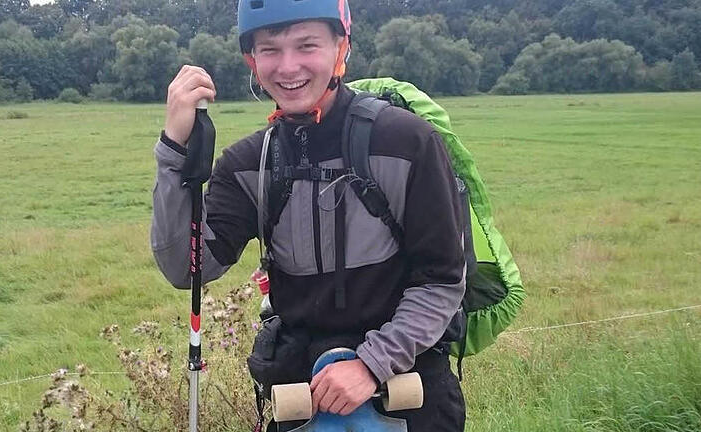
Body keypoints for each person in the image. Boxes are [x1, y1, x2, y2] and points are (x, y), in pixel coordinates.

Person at [151, 0, 467, 430]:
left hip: (407, 386)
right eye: (269, 49)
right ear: (251, 60)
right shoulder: (248, 164)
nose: (288, 66)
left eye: (307, 45)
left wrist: (371, 364)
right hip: (300, 393)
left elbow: (442, 279)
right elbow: (187, 270)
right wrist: (174, 152)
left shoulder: (407, 142)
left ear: (341, 47)